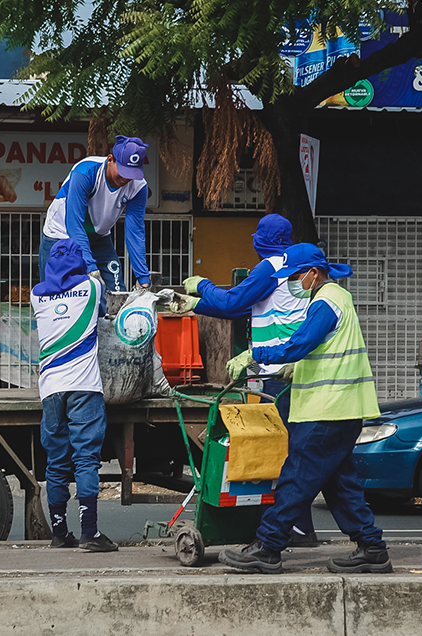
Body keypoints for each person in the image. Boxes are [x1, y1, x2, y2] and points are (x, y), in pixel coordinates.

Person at [219, 243, 390, 574]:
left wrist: (258, 355)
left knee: (296, 476)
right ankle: (372, 548)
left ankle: (267, 547)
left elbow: (301, 343)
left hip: (327, 409)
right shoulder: (332, 299)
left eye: (295, 276)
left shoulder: (326, 301)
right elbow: (316, 347)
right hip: (339, 409)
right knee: (340, 483)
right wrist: (296, 364)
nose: (292, 283)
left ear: (314, 273)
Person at [170, 213, 317, 546]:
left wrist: (202, 286)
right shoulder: (295, 268)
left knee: (287, 454)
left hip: (278, 374)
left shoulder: (271, 266)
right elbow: (242, 308)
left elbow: (234, 300)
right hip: (289, 371)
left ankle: (296, 528)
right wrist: (198, 305)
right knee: (292, 451)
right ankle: (297, 525)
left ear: (260, 240)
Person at [31, 238, 118, 552]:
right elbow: (105, 313)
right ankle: (90, 534)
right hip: (84, 386)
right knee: (85, 459)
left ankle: (59, 534)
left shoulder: (36, 296)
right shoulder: (93, 289)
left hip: (51, 389)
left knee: (56, 463)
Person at [39, 135, 152, 313]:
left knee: (116, 293)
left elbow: (135, 232)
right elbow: (74, 223)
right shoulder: (86, 172)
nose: (125, 179)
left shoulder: (139, 187)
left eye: (131, 174)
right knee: (57, 298)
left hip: (99, 237)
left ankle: (113, 339)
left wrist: (143, 278)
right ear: (110, 159)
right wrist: (91, 268)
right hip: (61, 234)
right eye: (122, 171)